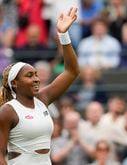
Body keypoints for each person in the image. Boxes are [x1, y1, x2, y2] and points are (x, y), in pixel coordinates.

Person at [0, 6, 79, 165]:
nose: (36, 79)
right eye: (29, 75)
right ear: (15, 83)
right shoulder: (7, 111)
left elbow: (72, 71)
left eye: (36, 74)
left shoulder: (43, 99)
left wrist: (63, 35)